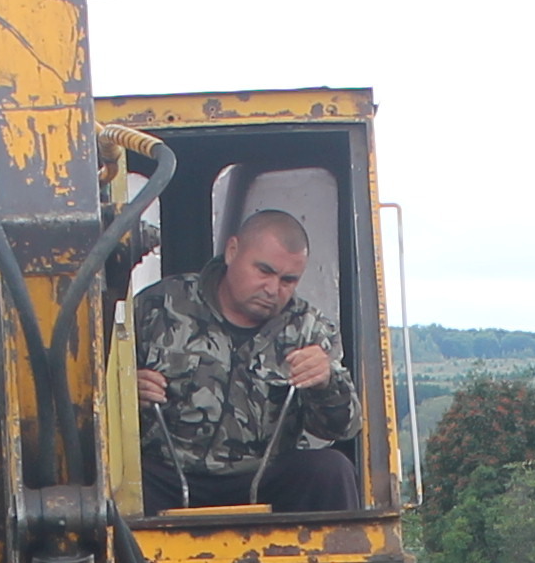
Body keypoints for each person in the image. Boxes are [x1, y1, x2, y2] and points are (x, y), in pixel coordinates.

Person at [132, 208, 364, 513]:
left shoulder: (310, 330)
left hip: (264, 480)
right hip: (167, 476)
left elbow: (343, 429)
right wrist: (127, 392)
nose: (272, 289)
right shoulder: (157, 307)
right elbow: (92, 400)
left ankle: (342, 562)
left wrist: (326, 384)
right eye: (264, 271)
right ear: (232, 252)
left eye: (288, 280)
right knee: (106, 483)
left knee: (331, 470)